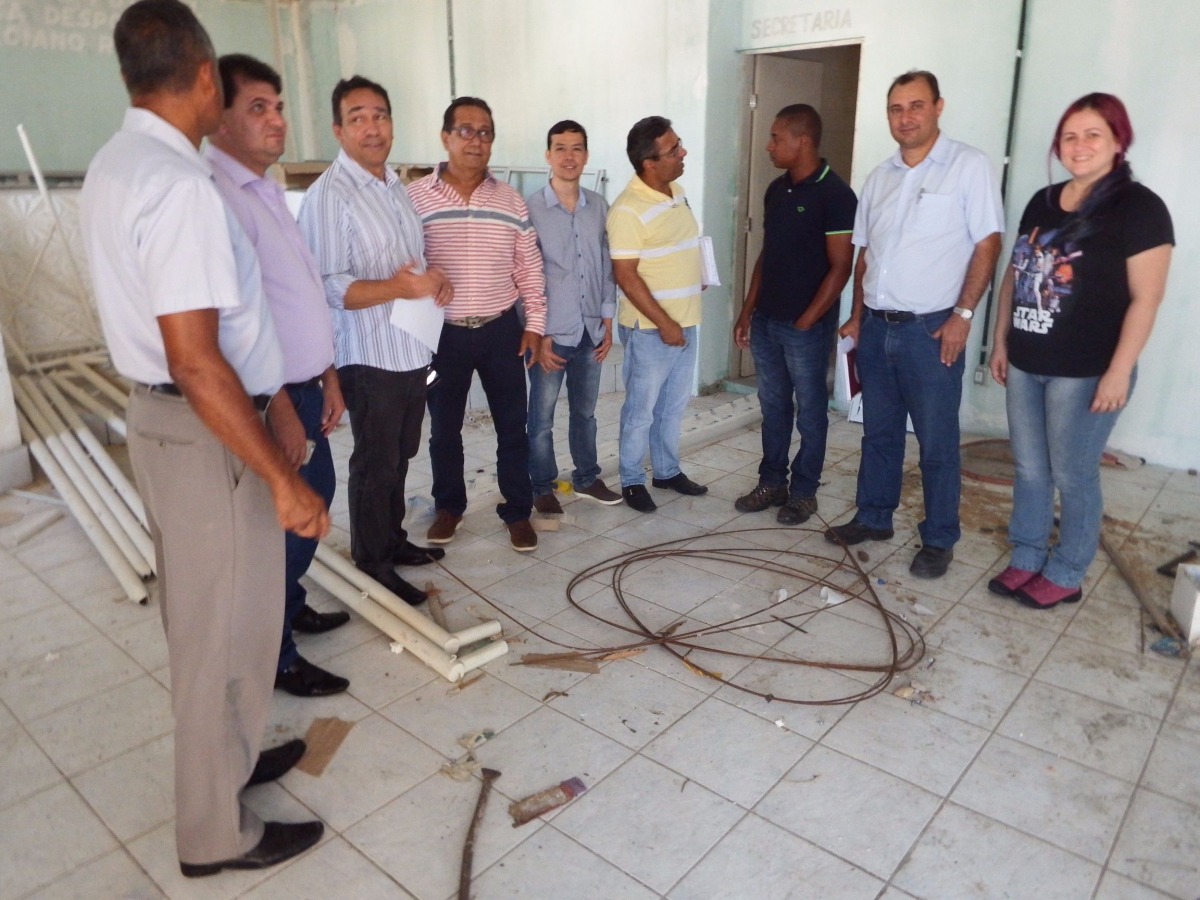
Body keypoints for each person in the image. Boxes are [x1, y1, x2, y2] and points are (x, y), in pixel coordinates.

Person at [79, 0, 326, 876]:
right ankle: (213, 836)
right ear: (200, 76)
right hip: (202, 430)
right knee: (220, 634)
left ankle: (233, 765)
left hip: (179, 425)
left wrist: (276, 404)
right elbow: (196, 359)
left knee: (225, 620)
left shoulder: (117, 164)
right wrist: (283, 479)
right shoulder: (179, 186)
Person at [987, 93, 1173, 608]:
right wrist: (1000, 341)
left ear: (1118, 141)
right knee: (1028, 467)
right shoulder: (1043, 200)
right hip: (1027, 363)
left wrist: (1119, 371)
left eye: (1094, 134)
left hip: (1087, 372)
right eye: (1070, 136)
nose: (1080, 145)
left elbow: (1146, 298)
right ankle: (1026, 556)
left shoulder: (1139, 207)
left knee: (1072, 473)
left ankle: (1067, 570)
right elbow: (1016, 274)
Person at [206, 53, 351, 698]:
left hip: (304, 383)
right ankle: (276, 653)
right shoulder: (218, 198)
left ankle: (287, 610)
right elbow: (238, 323)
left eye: (280, 106)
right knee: (286, 523)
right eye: (257, 108)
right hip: (272, 397)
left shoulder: (267, 189)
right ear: (219, 119)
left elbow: (298, 296)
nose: (276, 120)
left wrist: (327, 374)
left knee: (314, 499)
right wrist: (276, 408)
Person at [827, 71, 1004, 579]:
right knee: (878, 432)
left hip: (932, 332)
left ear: (937, 107)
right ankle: (874, 516)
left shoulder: (968, 166)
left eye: (915, 106)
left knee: (937, 442)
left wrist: (963, 316)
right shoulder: (879, 177)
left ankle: (940, 537)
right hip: (878, 329)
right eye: (895, 108)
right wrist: (858, 316)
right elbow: (865, 256)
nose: (905, 117)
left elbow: (987, 244)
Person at [298, 75, 453, 604]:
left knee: (401, 455)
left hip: (409, 346)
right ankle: (373, 561)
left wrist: (434, 279)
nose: (372, 127)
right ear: (338, 130)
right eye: (358, 117)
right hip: (367, 356)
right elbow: (326, 285)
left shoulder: (394, 187)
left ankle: (393, 539)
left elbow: (411, 263)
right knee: (375, 461)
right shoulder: (329, 196)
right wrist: (398, 286)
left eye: (380, 115)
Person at [408, 97, 548, 551]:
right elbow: (403, 264)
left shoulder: (509, 201)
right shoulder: (414, 199)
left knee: (513, 426)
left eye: (485, 131)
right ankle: (449, 506)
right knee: (444, 427)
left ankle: (517, 511)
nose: (476, 139)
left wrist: (535, 325)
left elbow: (528, 268)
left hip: (500, 330)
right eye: (465, 130)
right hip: (441, 335)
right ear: (445, 137)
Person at [733, 104, 856, 525]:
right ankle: (772, 482)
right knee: (772, 404)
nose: (768, 146)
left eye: (775, 138)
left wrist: (808, 320)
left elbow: (841, 266)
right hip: (767, 321)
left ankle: (804, 492)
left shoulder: (836, 195)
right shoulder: (775, 190)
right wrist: (747, 311)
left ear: (801, 141)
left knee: (811, 409)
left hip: (805, 327)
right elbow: (767, 254)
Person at [607, 116, 707, 513]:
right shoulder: (627, 210)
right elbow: (625, 277)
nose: (683, 153)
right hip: (651, 328)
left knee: (673, 405)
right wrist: (664, 323)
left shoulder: (677, 191)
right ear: (649, 162)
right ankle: (632, 479)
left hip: (686, 320)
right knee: (640, 410)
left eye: (679, 144)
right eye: (674, 149)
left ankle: (665, 470)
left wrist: (696, 274)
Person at [525, 120, 623, 514]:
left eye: (577, 148)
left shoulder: (599, 205)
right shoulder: (529, 208)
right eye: (560, 148)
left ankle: (585, 478)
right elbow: (524, 275)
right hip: (551, 333)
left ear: (586, 155)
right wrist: (538, 333)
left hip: (591, 328)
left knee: (585, 412)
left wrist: (608, 319)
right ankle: (541, 486)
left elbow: (607, 266)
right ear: (548, 155)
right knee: (542, 419)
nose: (569, 156)